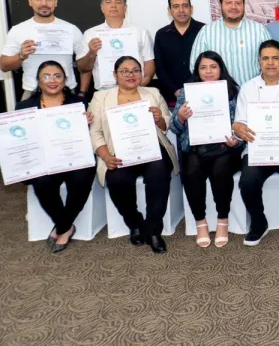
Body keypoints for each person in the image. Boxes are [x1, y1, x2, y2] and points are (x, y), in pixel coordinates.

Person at [88, 56, 179, 253]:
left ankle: (153, 229)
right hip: (117, 151)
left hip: (152, 148)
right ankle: (135, 223)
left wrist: (158, 119)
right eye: (125, 71)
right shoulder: (100, 98)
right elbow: (95, 132)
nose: (131, 75)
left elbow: (166, 125)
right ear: (115, 74)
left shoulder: (152, 93)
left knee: (159, 174)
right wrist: (106, 156)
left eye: (136, 70)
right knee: (117, 179)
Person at [232, 40, 279, 246]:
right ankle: (259, 222)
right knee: (247, 181)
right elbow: (240, 122)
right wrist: (238, 128)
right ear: (259, 61)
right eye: (265, 58)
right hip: (258, 147)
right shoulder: (248, 88)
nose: (270, 63)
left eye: (275, 58)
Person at [15, 60, 96, 253]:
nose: (52, 80)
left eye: (57, 76)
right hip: (43, 160)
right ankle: (65, 226)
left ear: (65, 79)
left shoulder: (79, 104)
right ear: (38, 80)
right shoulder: (24, 106)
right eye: (46, 76)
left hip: (74, 157)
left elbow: (89, 136)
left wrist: (86, 124)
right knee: (41, 181)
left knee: (82, 177)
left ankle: (61, 227)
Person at [170, 51, 242, 248]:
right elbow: (174, 128)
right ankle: (200, 222)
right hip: (195, 147)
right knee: (191, 170)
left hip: (225, 148)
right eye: (203, 67)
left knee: (221, 168)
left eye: (213, 67)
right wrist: (181, 117)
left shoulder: (233, 91)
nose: (208, 71)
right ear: (197, 70)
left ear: (221, 69)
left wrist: (236, 141)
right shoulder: (187, 92)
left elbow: (242, 124)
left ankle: (222, 220)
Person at [1, 0, 90, 100]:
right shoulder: (18, 30)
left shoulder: (71, 29)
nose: (44, 3)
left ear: (55, 1)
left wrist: (82, 92)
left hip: (66, 92)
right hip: (32, 93)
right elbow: (4, 66)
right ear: (30, 1)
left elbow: (84, 66)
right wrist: (21, 56)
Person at [189, 0, 271, 86]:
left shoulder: (259, 30)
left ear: (243, 5)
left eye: (238, 3)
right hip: (219, 93)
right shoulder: (206, 32)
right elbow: (195, 66)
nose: (233, 7)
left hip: (254, 91)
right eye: (228, 3)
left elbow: (270, 62)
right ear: (220, 5)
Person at [80, 0, 156, 91]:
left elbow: (149, 60)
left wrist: (144, 81)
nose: (113, 6)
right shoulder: (90, 34)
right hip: (105, 92)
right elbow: (82, 68)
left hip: (137, 90)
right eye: (108, 2)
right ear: (102, 8)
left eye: (118, 2)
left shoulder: (140, 32)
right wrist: (91, 53)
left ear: (125, 8)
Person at [154, 0, 205, 103]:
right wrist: (175, 90)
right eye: (176, 6)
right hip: (171, 96)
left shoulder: (204, 30)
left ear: (191, 9)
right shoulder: (161, 34)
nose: (181, 10)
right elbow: (159, 67)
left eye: (185, 6)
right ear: (169, 10)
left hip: (202, 94)